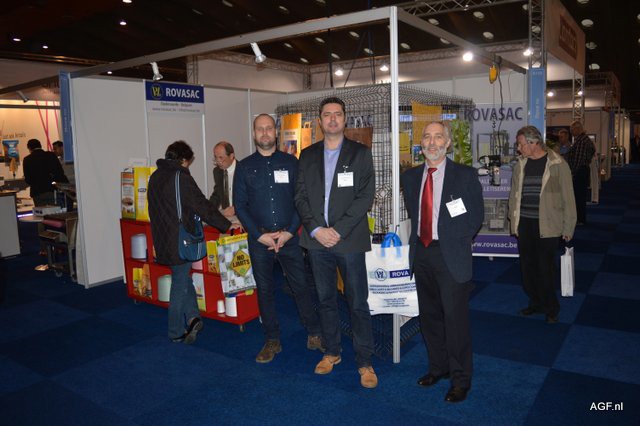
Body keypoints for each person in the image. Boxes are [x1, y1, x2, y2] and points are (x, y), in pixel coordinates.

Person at [294, 97, 377, 389]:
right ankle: (331, 352)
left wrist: (338, 230)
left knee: (357, 302)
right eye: (327, 114)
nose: (332, 119)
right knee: (325, 299)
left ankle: (364, 361)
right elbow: (300, 196)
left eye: (337, 114)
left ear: (345, 119)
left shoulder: (360, 153)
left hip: (349, 240)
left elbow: (366, 196)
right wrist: (317, 229)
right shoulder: (307, 155)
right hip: (317, 242)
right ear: (320, 121)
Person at [401, 121, 484, 404]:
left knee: (455, 320)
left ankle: (461, 380)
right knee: (430, 317)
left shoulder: (465, 175)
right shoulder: (410, 177)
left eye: (438, 137)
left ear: (447, 143)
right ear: (421, 143)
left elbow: (475, 217)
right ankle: (438, 368)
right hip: (421, 253)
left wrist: (455, 240)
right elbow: (415, 213)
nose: (432, 142)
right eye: (427, 137)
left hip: (450, 255)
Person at [234, 113, 323, 363]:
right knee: (265, 290)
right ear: (254, 134)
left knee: (300, 286)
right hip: (259, 240)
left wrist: (289, 231)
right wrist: (258, 235)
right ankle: (272, 339)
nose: (264, 133)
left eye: (269, 128)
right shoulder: (244, 167)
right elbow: (240, 205)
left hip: (289, 237)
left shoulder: (291, 162)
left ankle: (314, 332)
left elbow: (301, 200)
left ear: (276, 132)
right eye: (259, 129)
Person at [148, 140, 236, 344]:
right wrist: (225, 225)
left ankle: (194, 317)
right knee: (179, 285)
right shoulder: (181, 177)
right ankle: (175, 331)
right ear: (183, 160)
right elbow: (201, 205)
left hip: (162, 239)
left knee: (182, 278)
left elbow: (153, 210)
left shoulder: (155, 176)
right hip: (181, 240)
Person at [508, 126, 576, 325]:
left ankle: (551, 308)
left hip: (548, 225)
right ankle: (536, 302)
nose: (518, 148)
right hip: (525, 224)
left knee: (545, 270)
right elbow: (514, 196)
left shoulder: (557, 164)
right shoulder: (520, 165)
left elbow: (568, 198)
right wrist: (514, 222)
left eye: (521, 144)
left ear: (533, 142)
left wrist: (568, 227)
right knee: (527, 269)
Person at [565, 121, 595, 225]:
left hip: (579, 172)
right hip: (583, 171)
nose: (571, 132)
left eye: (572, 130)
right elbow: (592, 151)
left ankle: (580, 219)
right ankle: (580, 218)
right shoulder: (585, 139)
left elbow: (578, 160)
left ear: (577, 129)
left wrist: (572, 172)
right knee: (580, 196)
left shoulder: (581, 141)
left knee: (579, 197)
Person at [23, 139, 68, 206]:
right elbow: (60, 173)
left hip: (36, 192)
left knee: (41, 211)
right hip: (51, 190)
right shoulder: (51, 155)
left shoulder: (27, 160)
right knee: (54, 211)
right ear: (40, 146)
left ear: (29, 148)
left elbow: (28, 179)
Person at [209, 141, 236, 218]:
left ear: (231, 156)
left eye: (221, 157)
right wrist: (206, 210)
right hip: (227, 217)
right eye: (216, 157)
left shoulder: (243, 170)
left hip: (243, 216)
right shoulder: (217, 171)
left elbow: (253, 197)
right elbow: (217, 194)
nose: (218, 162)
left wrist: (236, 209)